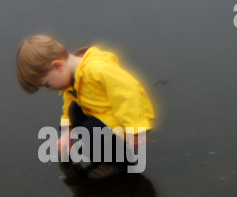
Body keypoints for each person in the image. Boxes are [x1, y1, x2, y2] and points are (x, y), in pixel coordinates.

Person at [16, 35, 155, 178]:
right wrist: (66, 132)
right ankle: (100, 145)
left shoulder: (97, 69)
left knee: (91, 128)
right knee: (73, 111)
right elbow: (68, 104)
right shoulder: (72, 76)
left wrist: (135, 131)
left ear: (58, 66)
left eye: (47, 84)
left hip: (130, 118)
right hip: (104, 113)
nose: (50, 89)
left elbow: (129, 95)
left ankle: (119, 162)